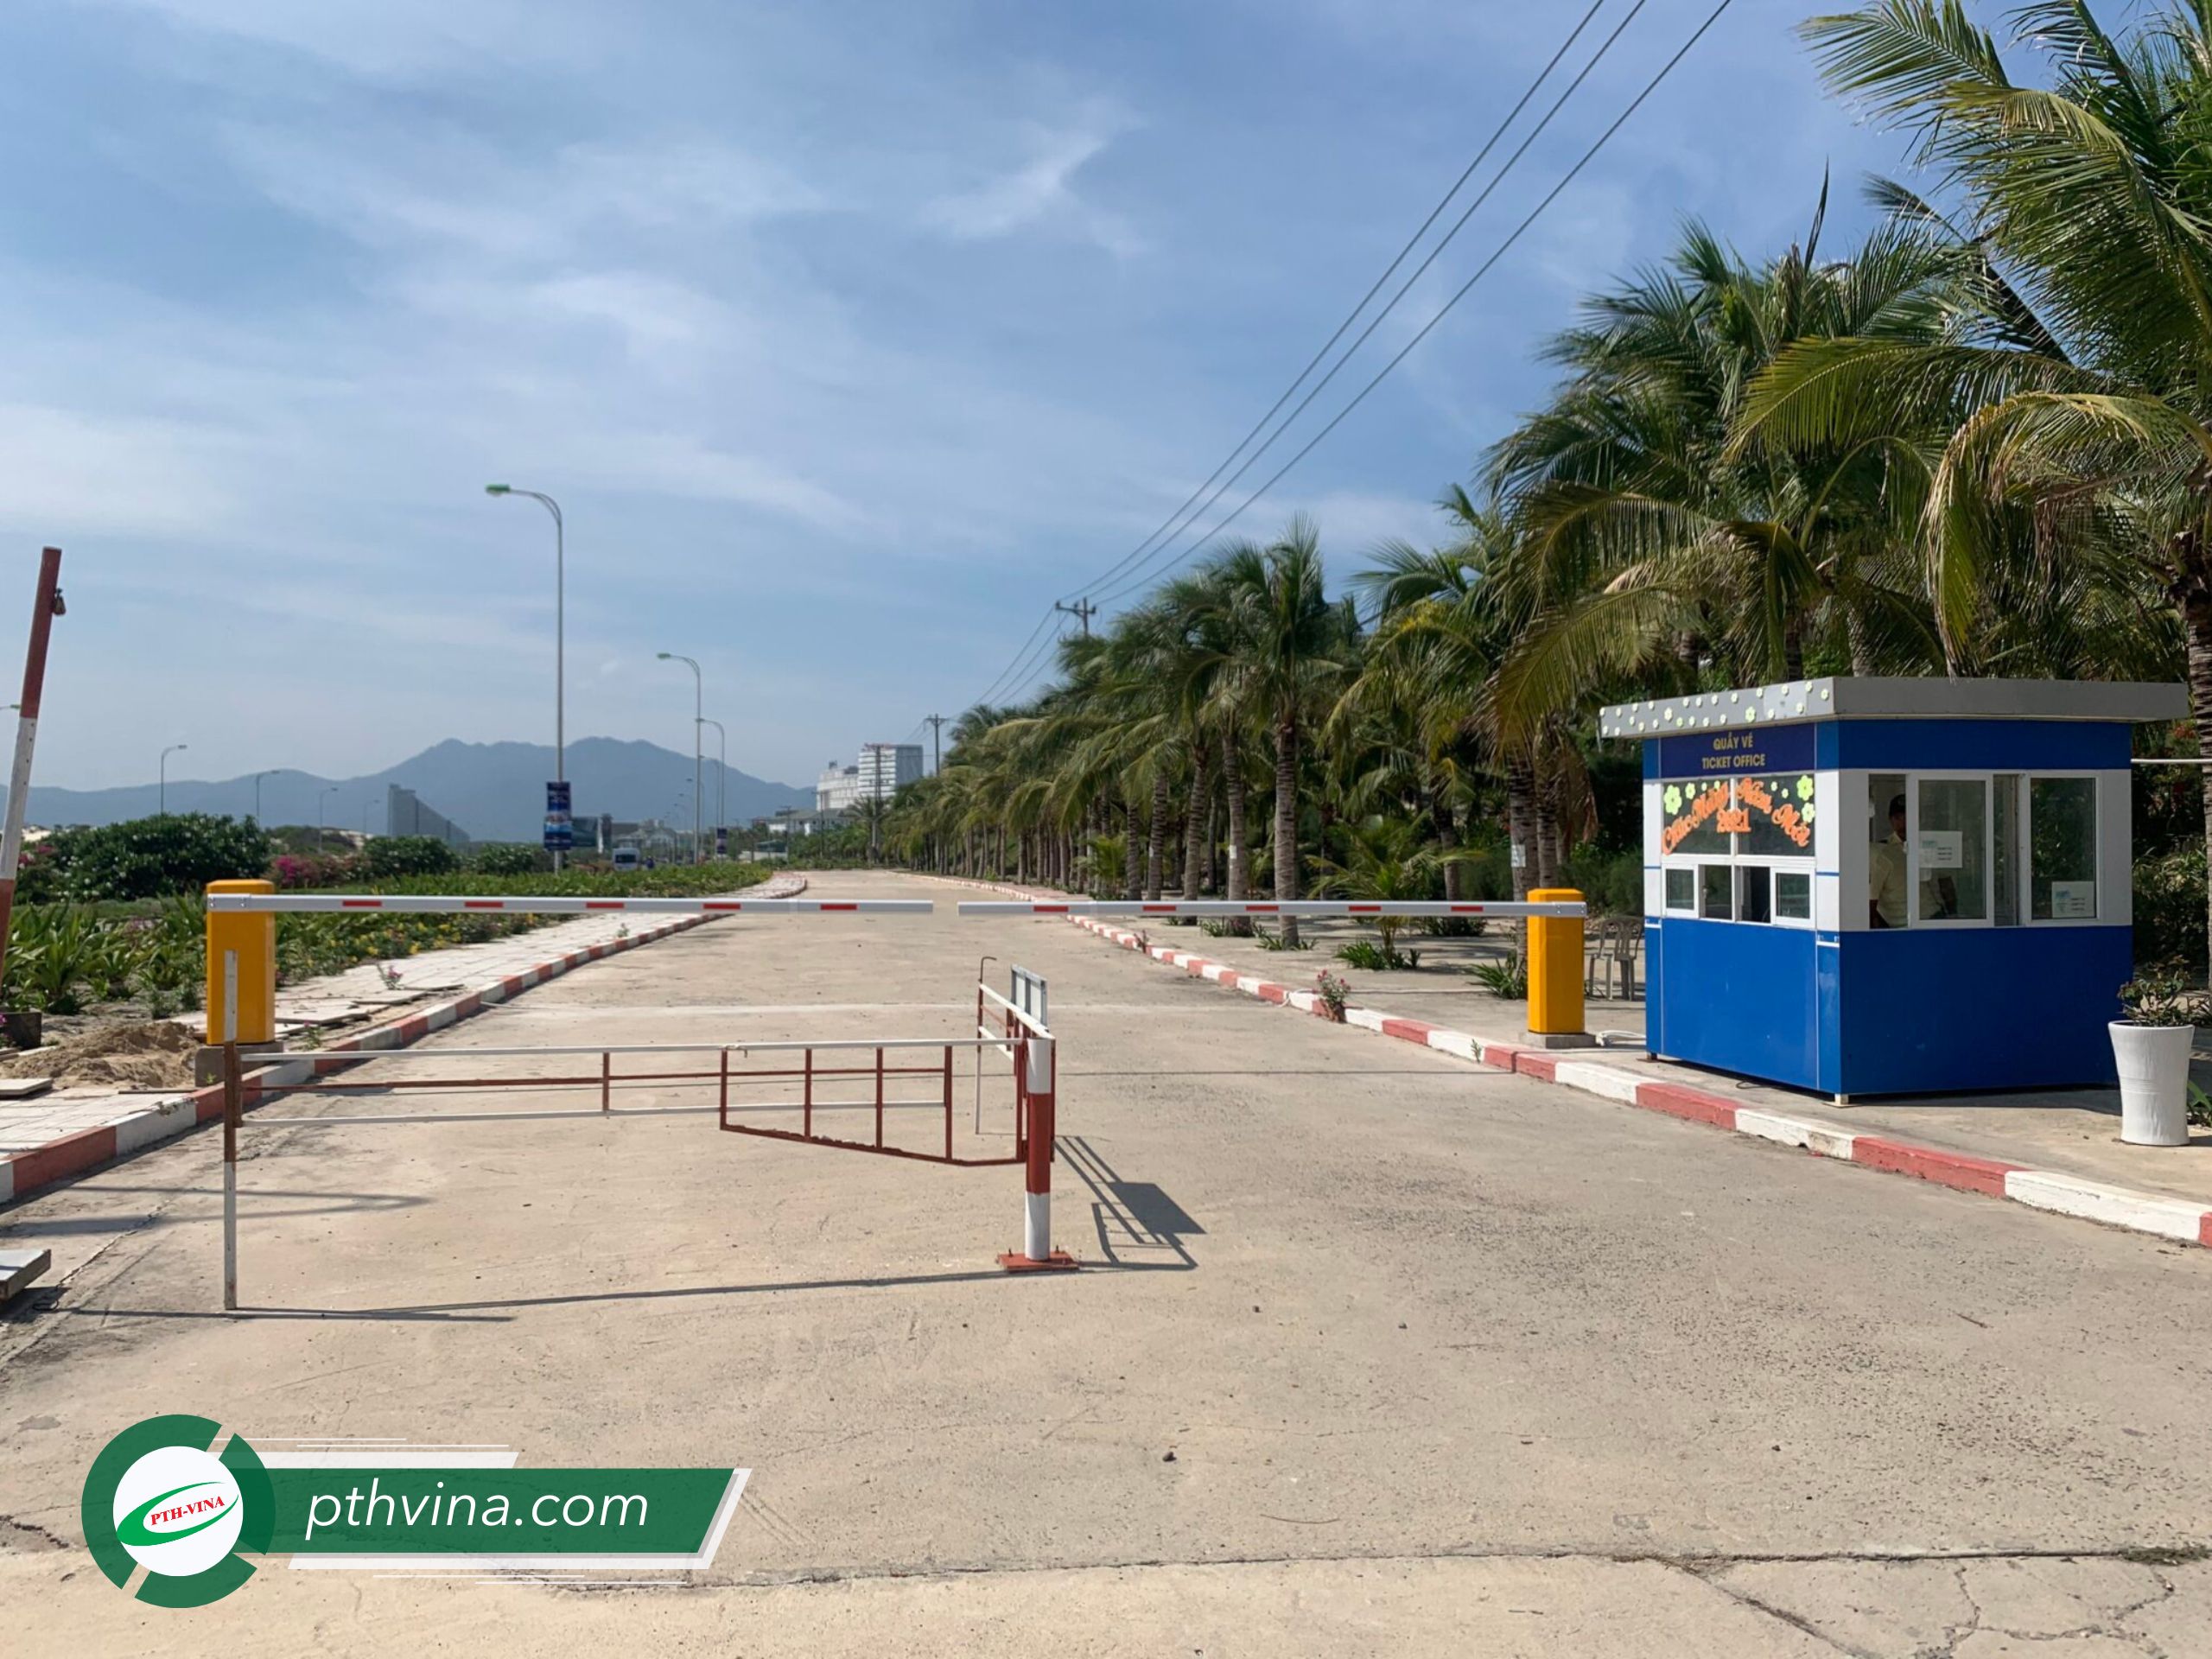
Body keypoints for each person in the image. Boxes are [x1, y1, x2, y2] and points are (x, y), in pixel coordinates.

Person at [1869, 793, 1908, 928]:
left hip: (1932, 917)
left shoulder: (1928, 845)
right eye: (1898, 818)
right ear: (1890, 820)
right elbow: (1872, 898)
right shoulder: (1882, 850)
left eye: (1907, 817)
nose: (1903, 823)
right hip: (1899, 923)